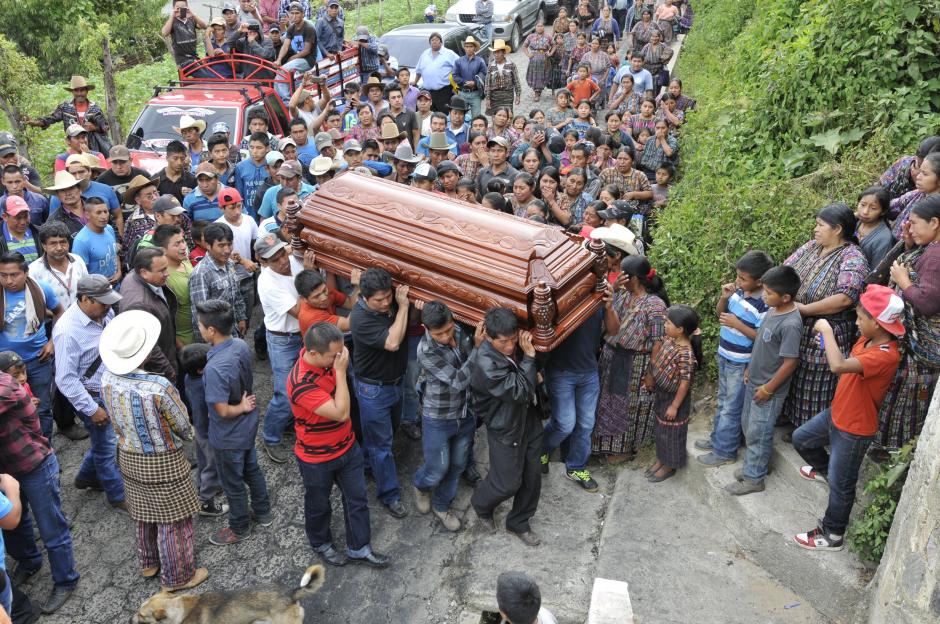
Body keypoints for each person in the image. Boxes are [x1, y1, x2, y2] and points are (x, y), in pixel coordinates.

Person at [99, 310, 206, 591]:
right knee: (174, 520)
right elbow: (183, 425)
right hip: (163, 460)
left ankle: (149, 563)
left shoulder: (107, 378)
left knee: (144, 512)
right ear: (144, 354)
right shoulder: (158, 387)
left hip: (128, 455)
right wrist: (190, 434)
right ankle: (178, 577)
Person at [792, 285, 902, 551]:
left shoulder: (885, 355)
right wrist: (829, 346)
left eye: (860, 319)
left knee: (842, 487)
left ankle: (832, 534)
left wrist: (827, 332)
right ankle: (825, 470)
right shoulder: (867, 340)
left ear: (876, 323)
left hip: (855, 429)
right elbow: (844, 367)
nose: (856, 322)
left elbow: (839, 366)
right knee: (801, 439)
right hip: (838, 412)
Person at [286, 321, 389, 568]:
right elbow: (341, 412)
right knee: (319, 504)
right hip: (316, 458)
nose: (340, 359)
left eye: (341, 353)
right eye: (334, 356)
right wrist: (341, 373)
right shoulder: (302, 383)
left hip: (347, 447)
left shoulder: (330, 361)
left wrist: (337, 365)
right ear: (313, 354)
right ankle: (321, 543)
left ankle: (359, 547)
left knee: (357, 498)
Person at [0, 365, 80, 615]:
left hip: (34, 464)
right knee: (15, 521)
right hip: (8, 469)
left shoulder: (4, 386)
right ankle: (29, 561)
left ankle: (67, 580)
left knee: (51, 527)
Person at [782, 204, 868, 431]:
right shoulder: (812, 246)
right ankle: (788, 418)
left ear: (838, 229)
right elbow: (785, 269)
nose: (815, 229)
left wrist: (805, 309)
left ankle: (808, 432)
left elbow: (845, 298)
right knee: (792, 372)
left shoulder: (852, 256)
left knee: (815, 382)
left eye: (821, 225)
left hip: (825, 329)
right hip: (795, 323)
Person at [197, 299, 272, 545]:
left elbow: (221, 410)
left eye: (200, 325)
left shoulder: (215, 367)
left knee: (233, 483)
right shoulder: (239, 344)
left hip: (228, 435)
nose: (199, 328)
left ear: (211, 330)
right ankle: (263, 513)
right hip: (247, 428)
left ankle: (239, 527)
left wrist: (238, 407)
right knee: (252, 470)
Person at [725, 265, 803, 496]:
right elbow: (761, 343)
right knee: (749, 425)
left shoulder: (790, 323)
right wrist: (750, 367)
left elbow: (790, 362)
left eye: (769, 293)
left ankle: (754, 478)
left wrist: (769, 388)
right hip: (755, 380)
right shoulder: (772, 310)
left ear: (786, 297)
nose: (764, 296)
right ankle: (757, 465)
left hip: (768, 389)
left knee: (759, 431)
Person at [470, 307, 541, 546]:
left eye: (513, 340)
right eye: (503, 342)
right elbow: (521, 390)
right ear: (489, 338)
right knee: (507, 482)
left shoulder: (517, 344)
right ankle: (481, 504)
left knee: (532, 476)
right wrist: (530, 361)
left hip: (528, 419)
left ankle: (519, 522)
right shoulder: (486, 363)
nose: (510, 347)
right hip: (505, 425)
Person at [52, 275, 126, 504]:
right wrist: (92, 409)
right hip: (93, 397)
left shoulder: (104, 313)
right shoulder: (67, 332)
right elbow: (65, 379)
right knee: (107, 448)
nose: (108, 306)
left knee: (103, 442)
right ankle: (118, 496)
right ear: (84, 299)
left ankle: (85, 477)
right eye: (103, 302)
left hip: (110, 388)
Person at [875, 196, 940, 453]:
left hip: (922, 350)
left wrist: (903, 281)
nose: (908, 229)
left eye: (913, 224)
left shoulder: (936, 256)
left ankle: (893, 450)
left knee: (907, 399)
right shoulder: (931, 248)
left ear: (934, 222)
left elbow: (926, 303)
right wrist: (911, 245)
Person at [696, 251, 773, 467]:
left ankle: (725, 451)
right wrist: (724, 297)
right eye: (737, 276)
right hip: (725, 354)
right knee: (723, 402)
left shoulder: (764, 305)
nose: (738, 281)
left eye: (743, 278)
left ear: (759, 281)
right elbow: (721, 314)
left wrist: (738, 325)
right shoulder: (738, 293)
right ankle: (718, 440)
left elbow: (761, 338)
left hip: (741, 362)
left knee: (731, 406)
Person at [411, 301, 482, 531]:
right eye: (438, 333)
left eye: (449, 329)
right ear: (425, 328)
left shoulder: (460, 331)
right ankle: (421, 486)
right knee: (437, 469)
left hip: (465, 413)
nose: (445, 336)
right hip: (439, 418)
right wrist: (478, 350)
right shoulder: (426, 351)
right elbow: (460, 380)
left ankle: (441, 505)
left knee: (458, 464)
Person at [591, 255, 667, 462]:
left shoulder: (655, 305)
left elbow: (658, 341)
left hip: (635, 364)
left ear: (634, 278)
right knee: (607, 402)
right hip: (611, 357)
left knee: (626, 406)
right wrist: (614, 289)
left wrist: (652, 372)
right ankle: (603, 447)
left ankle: (622, 451)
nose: (619, 275)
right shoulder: (623, 295)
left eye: (623, 273)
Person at [349, 268, 410, 518]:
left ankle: (366, 464)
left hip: (394, 383)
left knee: (386, 435)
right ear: (364, 297)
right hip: (373, 390)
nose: (386, 303)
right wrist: (403, 307)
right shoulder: (360, 318)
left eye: (388, 297)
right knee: (382, 445)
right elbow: (393, 343)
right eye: (379, 300)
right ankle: (389, 495)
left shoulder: (390, 304)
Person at [0, 252, 65, 441]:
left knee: (43, 408)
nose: (9, 280)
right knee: (10, 413)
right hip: (4, 368)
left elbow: (60, 312)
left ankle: (44, 449)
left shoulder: (41, 288)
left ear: (26, 273)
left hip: (38, 360)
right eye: (3, 275)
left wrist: (52, 342)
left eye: (14, 275)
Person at [256, 233, 308, 463]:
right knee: (285, 393)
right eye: (274, 259)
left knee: (304, 386)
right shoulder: (267, 282)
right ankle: (271, 437)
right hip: (283, 340)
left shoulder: (295, 261)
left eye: (281, 254)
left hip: (302, 334)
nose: (282, 261)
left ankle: (288, 423)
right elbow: (299, 311)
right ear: (263, 261)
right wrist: (310, 276)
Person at [645, 305, 700, 482]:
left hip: (675, 399)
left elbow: (685, 384)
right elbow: (658, 356)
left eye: (668, 322)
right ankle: (661, 459)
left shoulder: (686, 354)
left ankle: (670, 465)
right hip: (662, 394)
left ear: (680, 329)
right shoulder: (670, 339)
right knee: (661, 429)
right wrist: (651, 376)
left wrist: (675, 406)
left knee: (673, 433)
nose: (665, 324)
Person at [179, 343, 228, 517]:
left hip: (198, 429)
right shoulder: (205, 383)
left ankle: (202, 486)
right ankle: (206, 502)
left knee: (203, 461)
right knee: (212, 465)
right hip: (208, 431)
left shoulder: (188, 378)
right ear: (201, 370)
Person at [119, 248, 179, 381]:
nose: (167, 274)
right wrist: (169, 373)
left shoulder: (138, 277)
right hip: (158, 373)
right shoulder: (139, 304)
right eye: (162, 270)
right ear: (144, 272)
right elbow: (147, 346)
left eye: (166, 268)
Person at [189, 223, 248, 340]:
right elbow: (199, 314)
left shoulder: (230, 264)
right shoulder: (201, 273)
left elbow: (236, 295)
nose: (227, 250)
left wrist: (241, 318)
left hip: (233, 330)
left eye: (229, 244)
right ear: (207, 245)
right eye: (221, 245)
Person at [23, 76, 110, 154]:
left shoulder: (95, 108)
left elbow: (105, 127)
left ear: (87, 91)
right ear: (72, 91)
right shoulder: (65, 107)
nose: (79, 93)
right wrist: (36, 122)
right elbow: (52, 118)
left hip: (93, 148)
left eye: (82, 90)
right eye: (76, 90)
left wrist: (94, 128)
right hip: (74, 148)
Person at [28, 221, 88, 310]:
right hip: (52, 322)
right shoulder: (34, 270)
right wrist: (57, 315)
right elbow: (34, 304)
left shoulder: (78, 261)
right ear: (44, 246)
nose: (59, 248)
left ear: (68, 243)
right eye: (53, 243)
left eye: (63, 242)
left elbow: (87, 290)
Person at [274, 2, 318, 102]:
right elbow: (285, 45)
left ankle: (287, 101)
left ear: (303, 14)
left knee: (282, 72)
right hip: (298, 58)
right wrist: (279, 60)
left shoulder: (309, 28)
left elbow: (307, 51)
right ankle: (278, 100)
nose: (294, 16)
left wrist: (292, 58)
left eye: (297, 13)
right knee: (278, 74)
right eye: (292, 13)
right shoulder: (291, 28)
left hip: (308, 60)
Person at [71, 198, 119, 285]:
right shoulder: (81, 241)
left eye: (105, 211)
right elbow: (80, 275)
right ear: (87, 215)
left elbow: (115, 253)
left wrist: (119, 272)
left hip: (116, 287)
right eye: (98, 212)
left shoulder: (109, 229)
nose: (104, 216)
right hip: (97, 294)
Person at [414, 32, 460, 113]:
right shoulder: (425, 54)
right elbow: (419, 70)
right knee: (429, 116)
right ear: (429, 42)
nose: (434, 42)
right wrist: (415, 82)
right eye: (432, 40)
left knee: (444, 115)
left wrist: (458, 80)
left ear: (441, 42)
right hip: (428, 93)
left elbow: (460, 65)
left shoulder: (449, 53)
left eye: (436, 40)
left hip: (444, 92)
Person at [855, 186, 895, 271]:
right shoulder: (855, 222)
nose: (865, 211)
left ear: (883, 211)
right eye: (863, 205)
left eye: (873, 208)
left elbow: (875, 273)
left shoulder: (884, 239)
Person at [234, 133, 272, 216]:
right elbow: (239, 195)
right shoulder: (240, 167)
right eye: (251, 147)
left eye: (259, 148)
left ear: (267, 148)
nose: (254, 151)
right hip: (248, 214)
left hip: (268, 214)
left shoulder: (271, 166)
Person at [162, 0, 208, 67]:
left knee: (208, 71)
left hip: (194, 57)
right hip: (182, 60)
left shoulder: (191, 19)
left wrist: (193, 15)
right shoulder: (172, 22)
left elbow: (204, 26)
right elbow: (164, 33)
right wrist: (172, 16)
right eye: (178, 7)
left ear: (187, 7)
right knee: (207, 75)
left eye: (183, 7)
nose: (180, 9)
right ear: (174, 8)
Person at [1, 164, 48, 228]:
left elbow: (49, 223)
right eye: (10, 182)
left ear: (24, 179)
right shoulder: (0, 203)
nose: (14, 186)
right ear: (3, 181)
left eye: (17, 182)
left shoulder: (40, 200)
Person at [453, 37, 487, 119]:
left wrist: (475, 83)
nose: (468, 49)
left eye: (471, 46)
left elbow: (485, 75)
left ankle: (475, 132)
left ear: (474, 48)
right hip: (462, 93)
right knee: (462, 118)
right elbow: (455, 76)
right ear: (464, 48)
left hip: (475, 94)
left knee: (476, 118)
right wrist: (465, 82)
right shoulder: (458, 61)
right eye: (467, 46)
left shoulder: (480, 61)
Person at [484, 40, 521, 114]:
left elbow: (516, 80)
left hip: (508, 96)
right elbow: (487, 83)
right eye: (494, 52)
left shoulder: (511, 65)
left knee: (508, 116)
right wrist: (487, 98)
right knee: (496, 117)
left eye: (498, 52)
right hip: (494, 96)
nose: (496, 55)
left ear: (504, 53)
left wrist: (518, 95)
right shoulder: (491, 65)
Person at [0, 197, 41, 262]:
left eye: (26, 216)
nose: (23, 222)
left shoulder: (40, 233)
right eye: (18, 218)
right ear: (5, 217)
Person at [523, 23, 555, 101]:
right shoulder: (530, 36)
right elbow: (524, 46)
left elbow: (554, 45)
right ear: (535, 27)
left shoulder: (548, 36)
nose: (540, 28)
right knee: (535, 75)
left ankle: (540, 89)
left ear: (543, 27)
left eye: (541, 26)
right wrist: (528, 54)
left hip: (544, 59)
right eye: (538, 26)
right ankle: (536, 92)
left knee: (543, 74)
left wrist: (550, 53)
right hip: (534, 59)